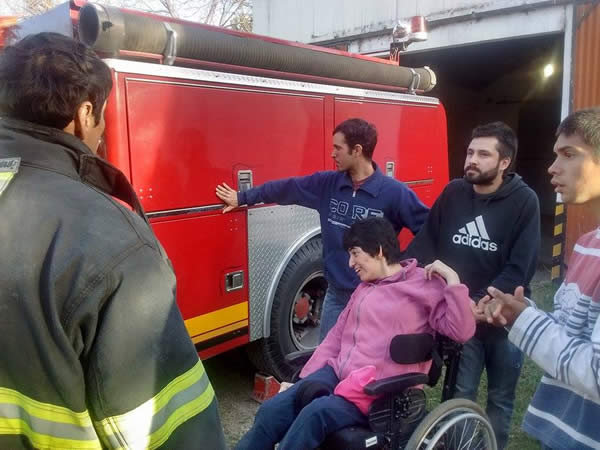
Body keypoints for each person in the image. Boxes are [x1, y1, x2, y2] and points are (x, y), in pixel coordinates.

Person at [0, 32, 226, 449]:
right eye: (102, 117)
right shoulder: (110, 239)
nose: (102, 132)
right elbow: (163, 428)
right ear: (85, 114)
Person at [235, 217, 476, 450]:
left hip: (377, 391)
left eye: (355, 253)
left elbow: (461, 331)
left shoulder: (423, 286)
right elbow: (336, 336)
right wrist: (304, 379)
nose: (350, 263)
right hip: (338, 374)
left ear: (379, 251)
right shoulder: (364, 288)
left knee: (314, 415)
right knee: (274, 409)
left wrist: (453, 280)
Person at [216, 118, 429, 341]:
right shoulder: (327, 184)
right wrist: (243, 197)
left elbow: (428, 229)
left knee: (366, 361)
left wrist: (404, 268)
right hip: (336, 295)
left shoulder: (394, 193)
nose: (332, 154)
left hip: (375, 297)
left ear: (357, 150)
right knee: (326, 360)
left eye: (338, 148)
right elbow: (286, 188)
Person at [403, 121, 540, 449]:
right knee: (459, 394)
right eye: (469, 152)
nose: (471, 160)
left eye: (482, 154)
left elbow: (519, 269)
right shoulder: (453, 193)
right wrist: (400, 274)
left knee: (500, 400)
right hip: (463, 321)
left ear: (504, 162)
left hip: (505, 322)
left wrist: (475, 303)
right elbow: (426, 243)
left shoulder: (525, 201)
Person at [483, 108, 600, 450]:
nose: (552, 167)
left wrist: (526, 321)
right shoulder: (587, 244)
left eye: (569, 154)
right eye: (554, 155)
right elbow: (570, 332)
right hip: (564, 431)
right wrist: (521, 313)